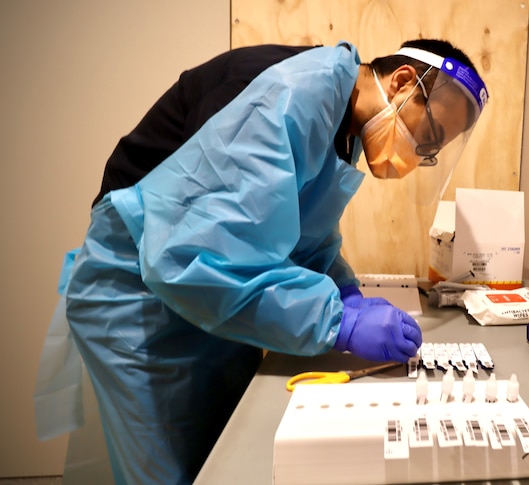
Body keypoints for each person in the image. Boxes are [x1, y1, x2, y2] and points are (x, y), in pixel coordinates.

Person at [42, 39, 489, 484]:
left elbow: (297, 234)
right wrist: (338, 321)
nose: (417, 155)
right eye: (426, 136)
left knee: (223, 454)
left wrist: (344, 289)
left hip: (206, 298)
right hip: (139, 295)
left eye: (429, 151)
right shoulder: (292, 95)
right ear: (403, 83)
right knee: (171, 470)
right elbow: (195, 253)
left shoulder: (341, 122)